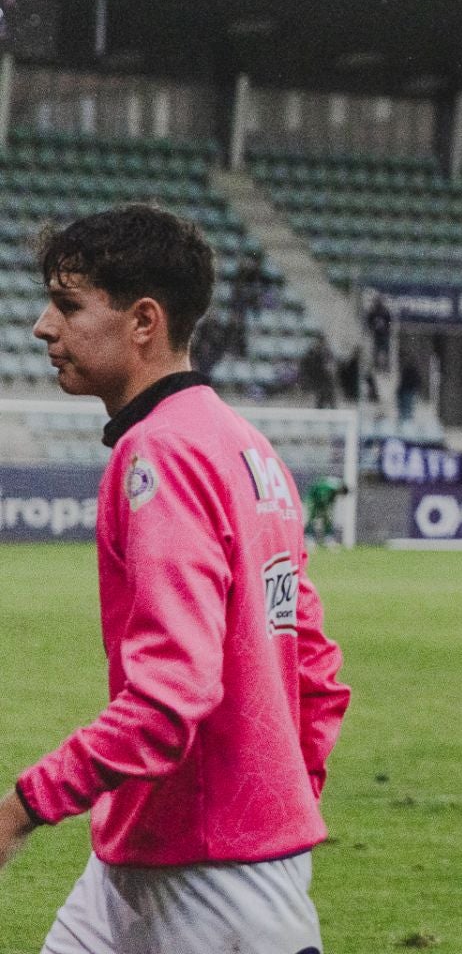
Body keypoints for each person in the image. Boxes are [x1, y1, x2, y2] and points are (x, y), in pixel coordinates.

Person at [0, 204, 350, 952]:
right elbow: (316, 668)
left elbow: (169, 696)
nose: (42, 327)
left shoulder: (160, 455)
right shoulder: (248, 447)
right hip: (156, 846)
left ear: (144, 322)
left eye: (67, 305)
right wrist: (283, 802)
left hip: (212, 871)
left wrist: (20, 807)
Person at [303, 474, 348, 549]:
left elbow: (330, 501)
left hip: (319, 500)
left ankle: (327, 539)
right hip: (314, 500)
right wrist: (324, 509)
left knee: (327, 519)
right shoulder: (331, 487)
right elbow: (322, 495)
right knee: (312, 519)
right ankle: (309, 539)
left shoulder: (335, 485)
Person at [299, 334, 335, 409]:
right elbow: (305, 365)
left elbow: (330, 364)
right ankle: (321, 406)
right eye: (319, 342)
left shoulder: (326, 352)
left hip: (323, 377)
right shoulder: (311, 353)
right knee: (322, 392)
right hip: (314, 376)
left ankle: (330, 407)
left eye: (322, 342)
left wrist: (328, 369)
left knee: (328, 391)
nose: (320, 344)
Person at [365, 293, 393, 372]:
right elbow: (369, 321)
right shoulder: (373, 312)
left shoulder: (384, 312)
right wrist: (371, 328)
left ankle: (385, 366)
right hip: (378, 334)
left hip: (384, 334)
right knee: (377, 350)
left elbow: (389, 321)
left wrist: (387, 329)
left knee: (384, 351)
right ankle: (378, 366)